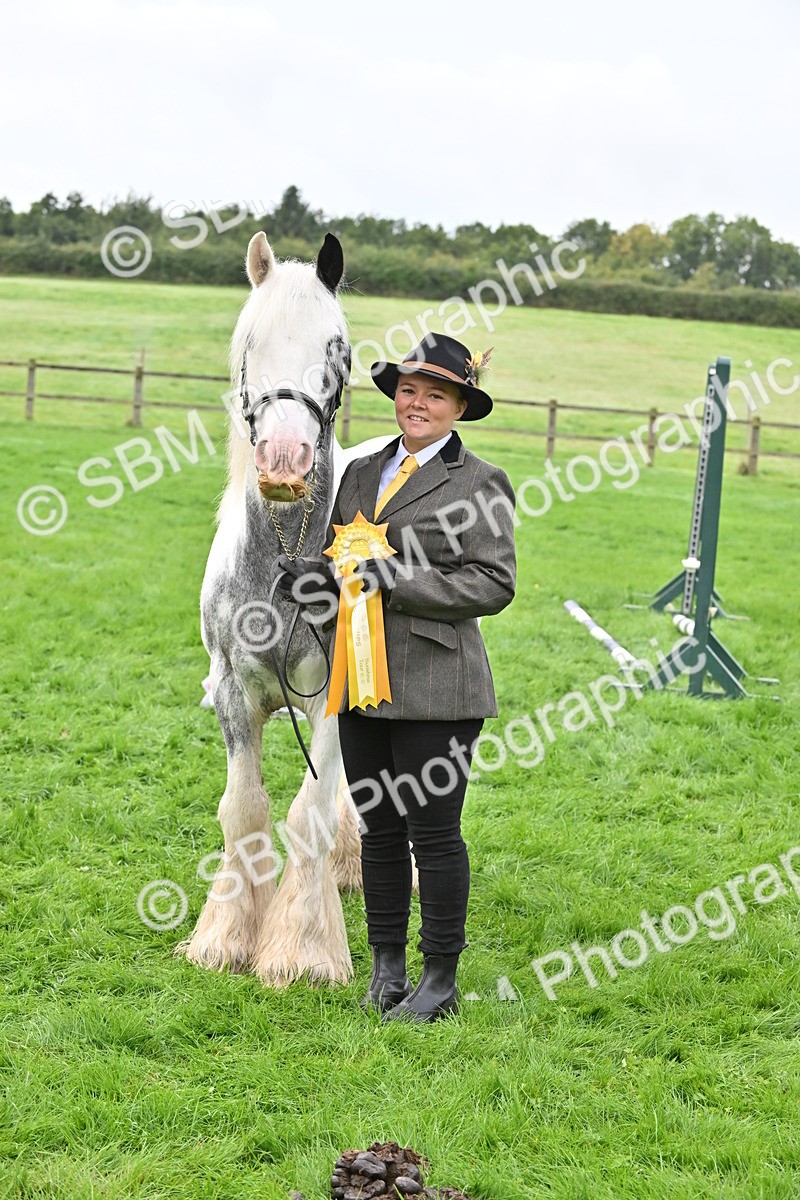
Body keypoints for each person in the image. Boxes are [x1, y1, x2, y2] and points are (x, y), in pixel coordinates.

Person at [276, 333, 516, 1022]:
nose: (417, 404)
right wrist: (311, 580)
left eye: (435, 395)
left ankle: (440, 980)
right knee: (378, 830)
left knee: (433, 836)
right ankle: (387, 969)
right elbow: (342, 564)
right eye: (409, 390)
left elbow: (493, 583)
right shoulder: (360, 471)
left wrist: (395, 578)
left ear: (459, 408)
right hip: (359, 679)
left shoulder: (480, 483)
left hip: (438, 687)